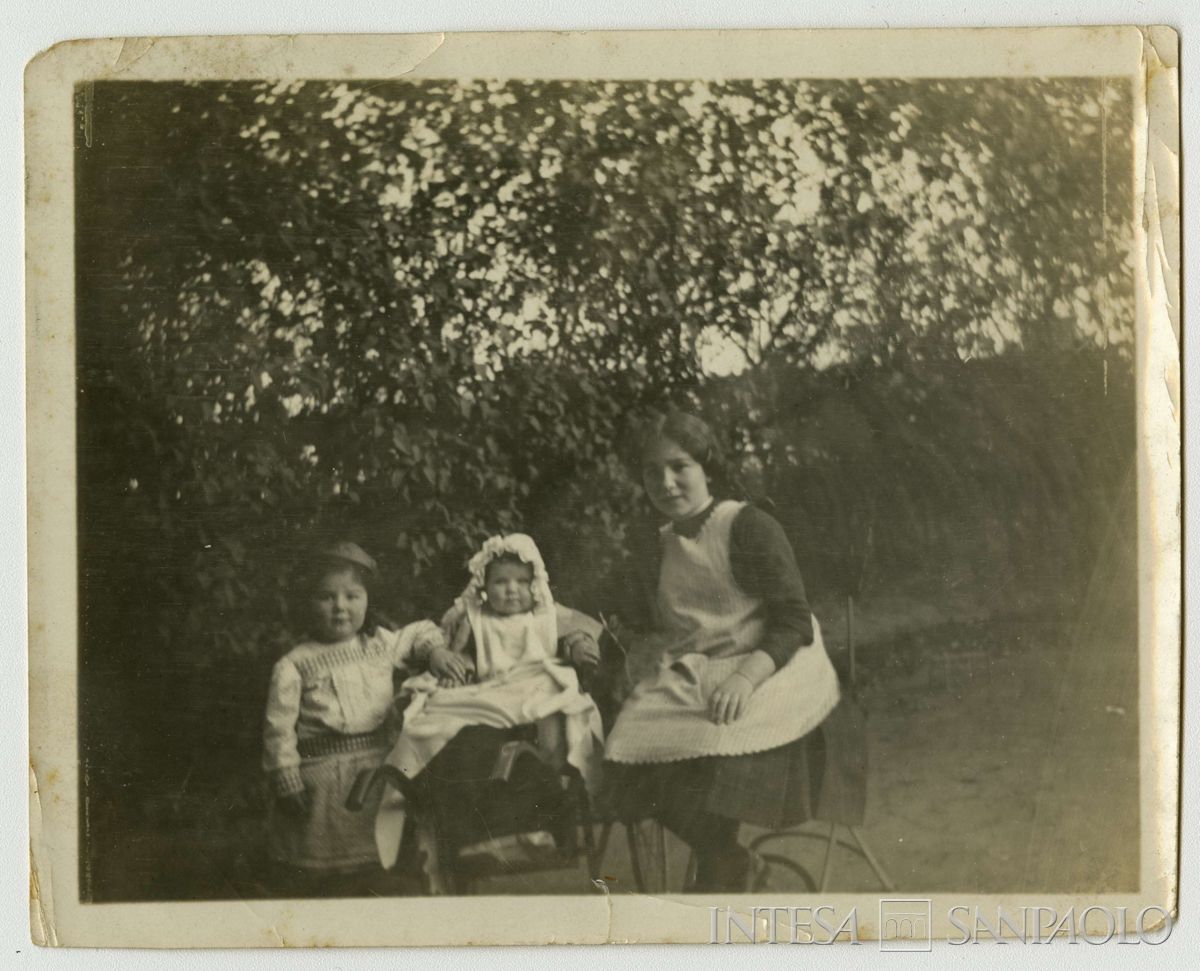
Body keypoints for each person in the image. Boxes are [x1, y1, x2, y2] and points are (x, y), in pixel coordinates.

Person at [600, 410, 861, 892]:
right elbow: (640, 615)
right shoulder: (660, 544)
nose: (666, 483)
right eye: (652, 471)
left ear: (707, 468)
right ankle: (726, 856)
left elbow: (793, 620)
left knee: (714, 744)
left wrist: (744, 679)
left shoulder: (747, 526)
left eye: (679, 466)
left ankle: (719, 870)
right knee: (623, 754)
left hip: (774, 662)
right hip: (703, 666)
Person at [359, 533, 605, 883]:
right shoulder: (475, 619)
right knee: (440, 713)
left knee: (556, 707)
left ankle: (552, 787)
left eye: (521, 582)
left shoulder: (546, 614)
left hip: (536, 683)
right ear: (484, 586)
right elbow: (465, 656)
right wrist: (460, 669)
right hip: (493, 690)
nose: (512, 590)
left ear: (535, 583)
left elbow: (574, 634)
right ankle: (417, 774)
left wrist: (580, 647)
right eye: (501, 582)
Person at [261, 540, 444, 893]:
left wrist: (435, 652)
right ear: (307, 602)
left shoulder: (379, 645)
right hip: (323, 781)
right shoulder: (294, 664)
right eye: (326, 597)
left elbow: (420, 632)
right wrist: (286, 777)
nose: (340, 607)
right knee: (324, 876)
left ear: (368, 600)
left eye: (352, 596)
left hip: (377, 771)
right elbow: (278, 729)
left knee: (380, 864)